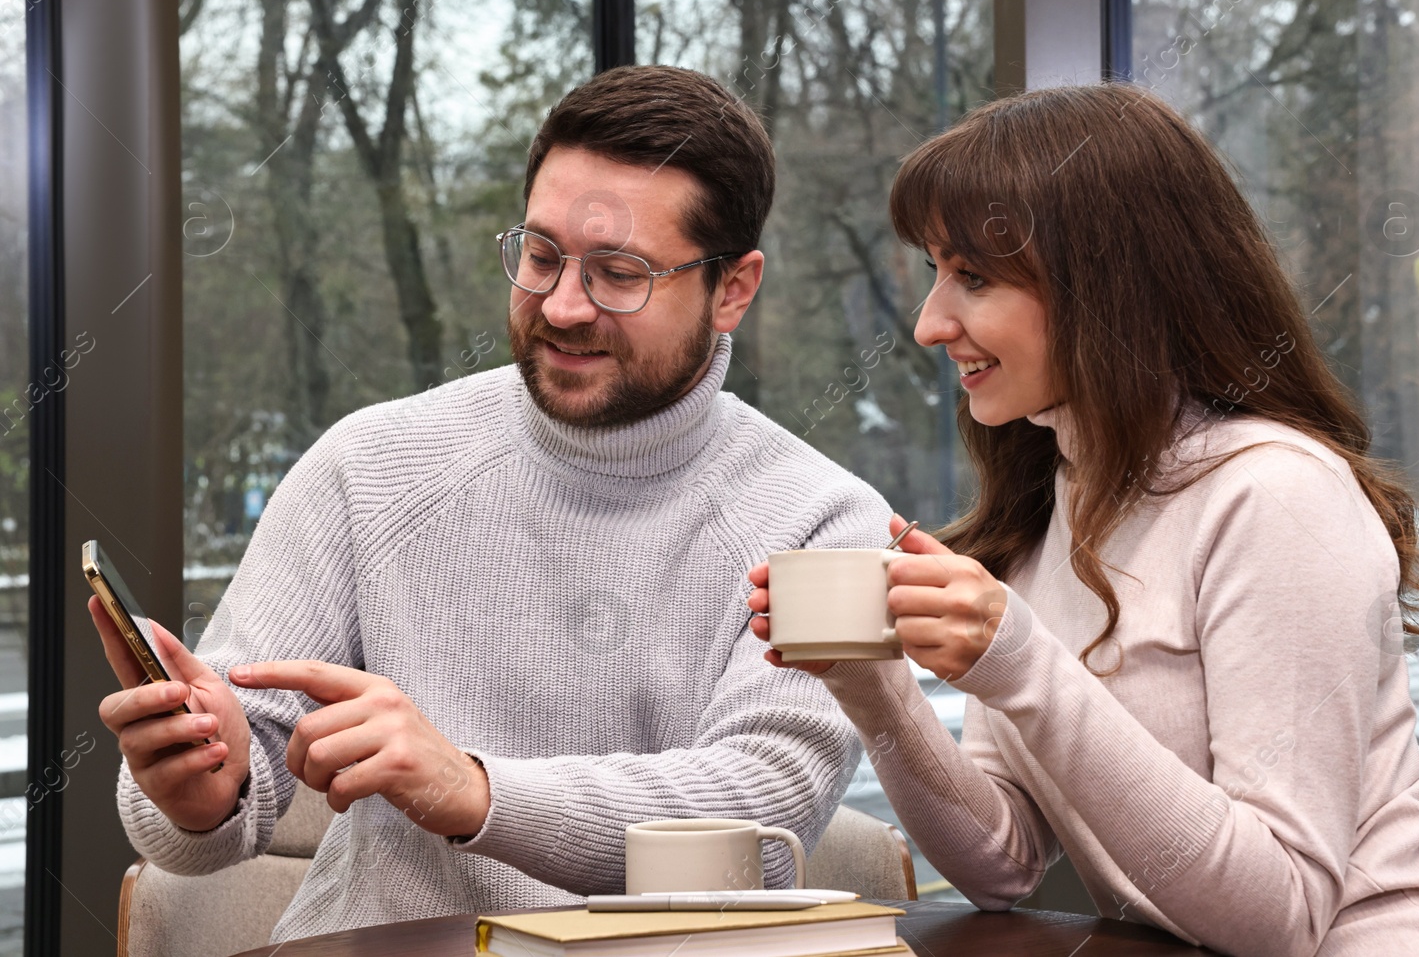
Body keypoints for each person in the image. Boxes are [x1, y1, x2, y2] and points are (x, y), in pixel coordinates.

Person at [747, 83, 1419, 956]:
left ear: (1106, 285)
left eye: (973, 277)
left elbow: (1278, 914)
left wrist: (1019, 661)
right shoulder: (1047, 503)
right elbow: (1003, 863)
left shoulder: (1276, 496)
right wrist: (871, 686)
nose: (928, 324)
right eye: (935, 272)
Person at [94, 65, 890, 944]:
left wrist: (472, 789)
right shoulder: (370, 465)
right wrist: (203, 790)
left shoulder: (824, 519)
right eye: (542, 255)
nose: (562, 304)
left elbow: (761, 816)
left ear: (733, 288)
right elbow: (213, 803)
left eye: (619, 273)